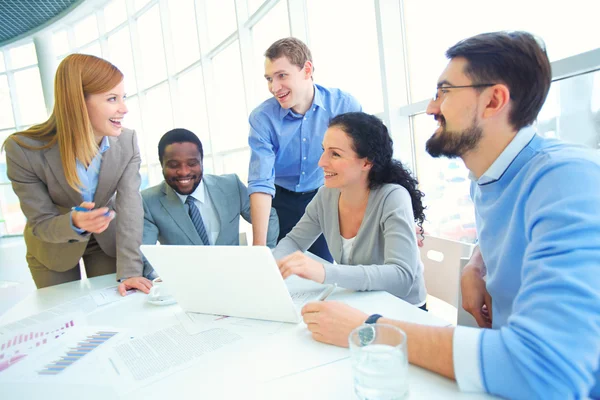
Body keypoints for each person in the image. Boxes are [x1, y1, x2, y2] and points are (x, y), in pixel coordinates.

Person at [300, 31, 600, 399]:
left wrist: (367, 327)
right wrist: (477, 262)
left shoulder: (569, 178)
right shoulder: (490, 176)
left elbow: (545, 369)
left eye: (445, 91)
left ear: (493, 101)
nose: (430, 107)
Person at [3, 54, 150, 296]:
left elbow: (131, 209)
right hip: (53, 244)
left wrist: (131, 270)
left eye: (123, 97)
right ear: (78, 102)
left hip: (105, 241)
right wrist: (74, 222)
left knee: (112, 307)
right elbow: (40, 221)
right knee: (63, 319)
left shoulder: (127, 141)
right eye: (112, 99)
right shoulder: (22, 149)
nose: (124, 108)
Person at [273, 112, 427, 306]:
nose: (321, 162)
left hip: (402, 310)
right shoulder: (325, 196)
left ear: (367, 162)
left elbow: (401, 278)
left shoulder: (392, 197)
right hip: (359, 302)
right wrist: (274, 268)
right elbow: (294, 241)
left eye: (335, 154)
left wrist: (324, 271)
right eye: (324, 150)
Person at [247, 37, 362, 262]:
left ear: (306, 70)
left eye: (282, 76)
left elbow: (369, 162)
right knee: (277, 266)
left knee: (323, 266)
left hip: (325, 195)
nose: (274, 87)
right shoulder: (262, 118)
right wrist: (258, 250)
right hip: (280, 201)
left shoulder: (343, 106)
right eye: (269, 79)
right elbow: (261, 183)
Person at [141, 128, 279, 278]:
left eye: (192, 163)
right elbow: (144, 255)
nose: (184, 172)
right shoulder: (149, 201)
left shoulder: (231, 186)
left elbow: (268, 216)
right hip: (187, 284)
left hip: (235, 278)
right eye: (174, 165)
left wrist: (264, 255)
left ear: (201, 161)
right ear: (162, 164)